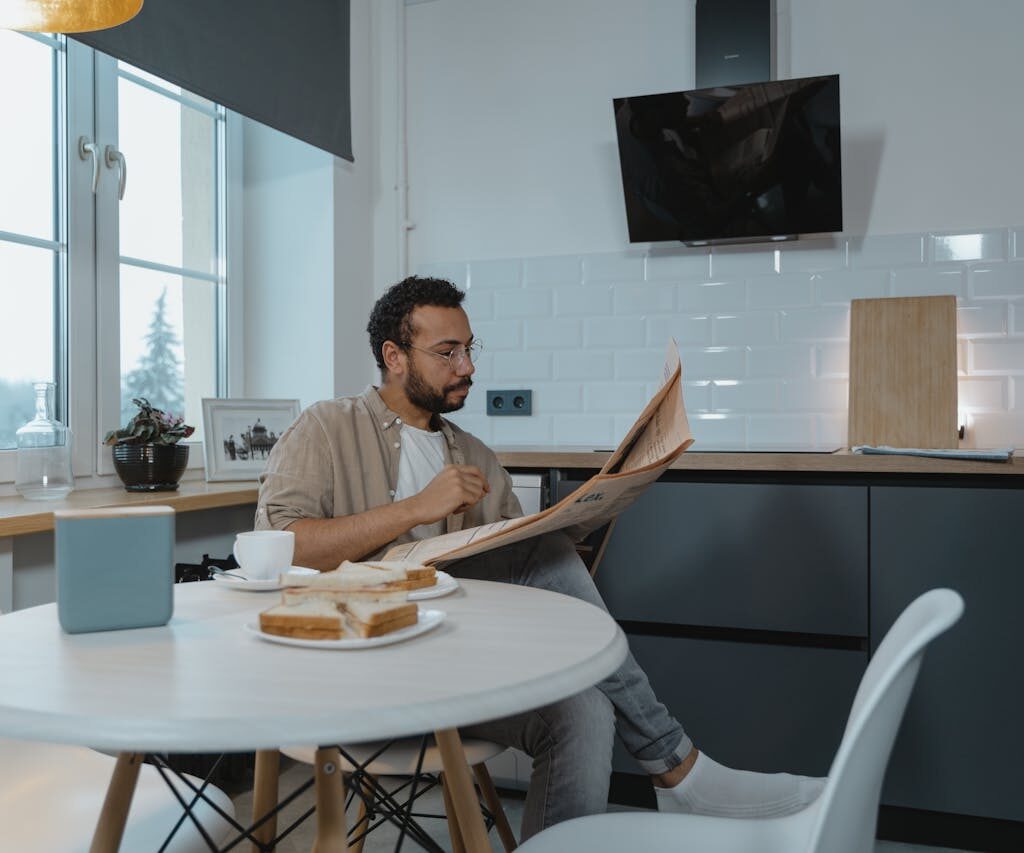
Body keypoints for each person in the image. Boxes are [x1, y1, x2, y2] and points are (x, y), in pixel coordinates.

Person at [256, 276, 823, 839]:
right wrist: (414, 508)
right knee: (541, 554)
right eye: (447, 352)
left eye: (469, 349)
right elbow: (281, 547)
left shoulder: (473, 454)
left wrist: (577, 537)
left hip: (453, 672)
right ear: (394, 356)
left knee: (584, 711)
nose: (468, 367)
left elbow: (518, 569)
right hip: (355, 677)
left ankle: (672, 773)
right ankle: (677, 767)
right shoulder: (325, 427)